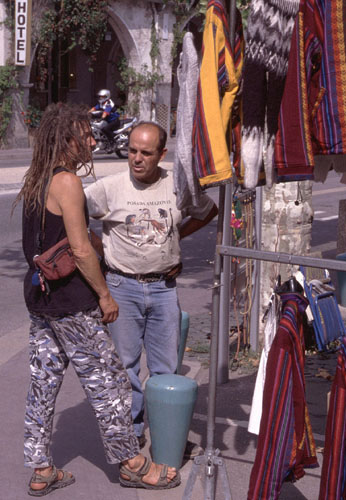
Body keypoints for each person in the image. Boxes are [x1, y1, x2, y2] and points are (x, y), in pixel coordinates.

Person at [15, 104, 180, 496]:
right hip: (72, 301)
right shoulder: (67, 181)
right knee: (111, 384)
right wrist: (105, 295)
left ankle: (41, 469)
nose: (92, 141)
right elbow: (81, 250)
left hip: (41, 298)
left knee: (43, 384)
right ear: (67, 140)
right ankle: (133, 464)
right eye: (86, 135)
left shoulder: (37, 178)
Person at [85, 121, 218, 452]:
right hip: (121, 287)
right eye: (132, 151)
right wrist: (101, 250)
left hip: (164, 288)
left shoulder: (177, 187)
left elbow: (208, 210)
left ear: (162, 154)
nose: (137, 159)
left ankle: (166, 433)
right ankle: (130, 431)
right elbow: (72, 216)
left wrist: (176, 236)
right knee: (125, 365)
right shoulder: (109, 187)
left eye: (146, 152)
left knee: (165, 367)